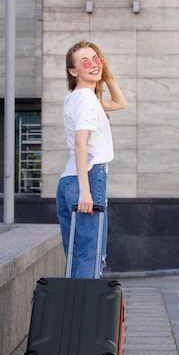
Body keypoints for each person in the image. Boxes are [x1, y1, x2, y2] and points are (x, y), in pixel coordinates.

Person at [56, 40, 127, 277]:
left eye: (96, 59)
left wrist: (105, 73)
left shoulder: (79, 97)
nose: (93, 65)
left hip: (69, 181)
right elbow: (80, 143)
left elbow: (120, 103)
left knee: (77, 254)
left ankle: (74, 312)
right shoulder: (86, 98)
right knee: (91, 254)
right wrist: (86, 191)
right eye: (85, 62)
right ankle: (85, 313)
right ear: (73, 71)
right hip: (87, 176)